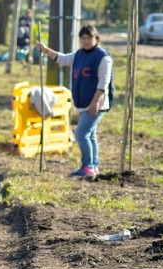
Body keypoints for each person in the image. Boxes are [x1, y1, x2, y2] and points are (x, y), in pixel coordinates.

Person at [36, 24, 113, 180]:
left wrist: (95, 102)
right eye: (82, 38)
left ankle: (88, 167)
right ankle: (93, 166)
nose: (85, 41)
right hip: (83, 101)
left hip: (96, 102)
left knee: (81, 133)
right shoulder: (79, 54)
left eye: (89, 38)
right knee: (90, 135)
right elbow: (63, 59)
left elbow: (103, 83)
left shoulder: (103, 57)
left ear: (96, 38)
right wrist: (45, 50)